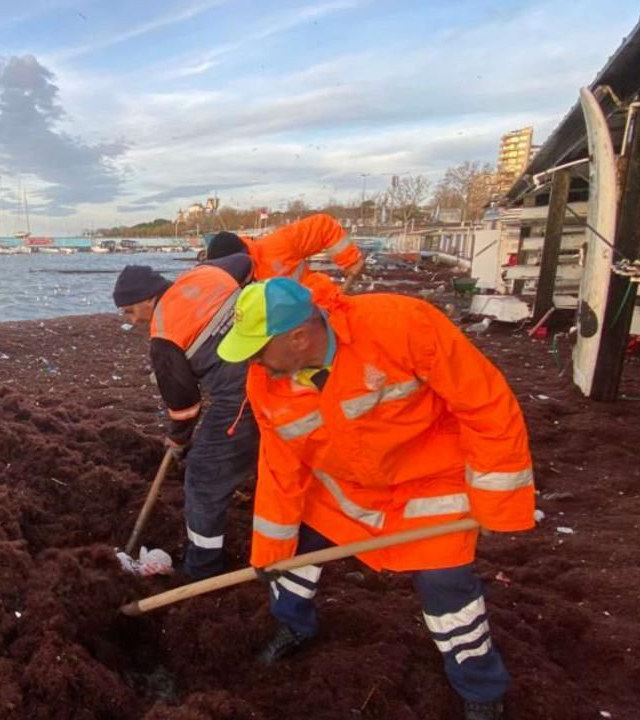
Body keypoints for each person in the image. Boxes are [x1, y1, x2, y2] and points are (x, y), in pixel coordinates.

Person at [216, 273, 535, 720]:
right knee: (290, 558)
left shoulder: (401, 325)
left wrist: (498, 503)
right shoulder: (266, 384)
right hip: (342, 490)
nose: (252, 363)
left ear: (299, 338)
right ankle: (293, 625)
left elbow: (485, 404)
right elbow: (280, 469)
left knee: (446, 588)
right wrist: (269, 552)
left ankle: (481, 689)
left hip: (429, 484)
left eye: (257, 350)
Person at [112, 254, 259, 579]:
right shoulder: (205, 273)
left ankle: (201, 569)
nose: (134, 321)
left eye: (132, 311)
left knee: (204, 479)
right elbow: (244, 261)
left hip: (242, 399)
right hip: (276, 367)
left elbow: (186, 407)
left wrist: (177, 440)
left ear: (148, 299)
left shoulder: (164, 336)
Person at [205, 213, 364, 282]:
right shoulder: (225, 285)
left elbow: (323, 226)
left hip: (320, 308)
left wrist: (350, 260)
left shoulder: (279, 244)